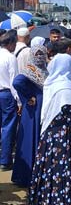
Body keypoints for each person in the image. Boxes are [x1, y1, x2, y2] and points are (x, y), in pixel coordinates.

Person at [28, 52, 71, 204]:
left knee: (49, 169)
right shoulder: (66, 89)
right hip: (64, 137)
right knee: (65, 170)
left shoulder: (51, 84)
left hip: (49, 136)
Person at [11, 44, 47, 187]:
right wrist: (28, 97)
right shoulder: (29, 70)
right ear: (32, 55)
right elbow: (17, 82)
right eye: (36, 54)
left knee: (36, 141)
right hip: (32, 112)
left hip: (39, 110)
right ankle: (26, 176)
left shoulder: (44, 70)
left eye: (41, 54)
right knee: (30, 141)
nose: (39, 57)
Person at [0, 31, 20, 170]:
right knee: (8, 127)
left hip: (4, 93)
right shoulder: (10, 58)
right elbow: (14, 81)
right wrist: (19, 101)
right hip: (7, 94)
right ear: (11, 43)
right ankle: (5, 159)